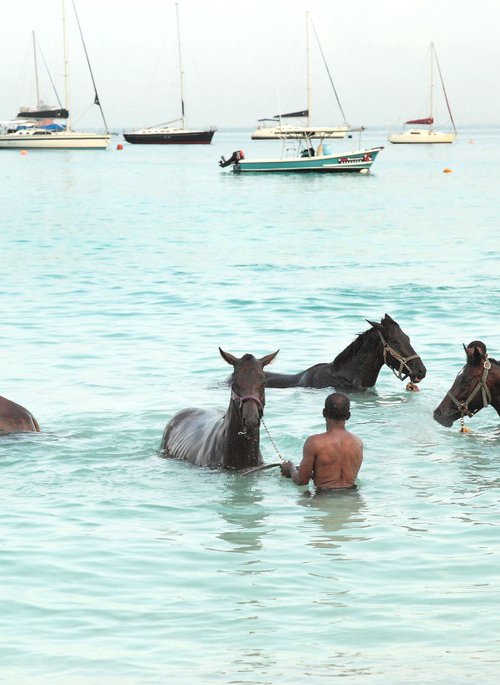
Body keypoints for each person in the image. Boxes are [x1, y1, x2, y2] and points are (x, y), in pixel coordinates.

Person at [280, 393, 363, 491]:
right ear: (348, 415)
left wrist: (290, 468)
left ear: (324, 412)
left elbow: (301, 481)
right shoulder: (358, 442)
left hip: (323, 498)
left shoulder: (314, 443)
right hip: (353, 499)